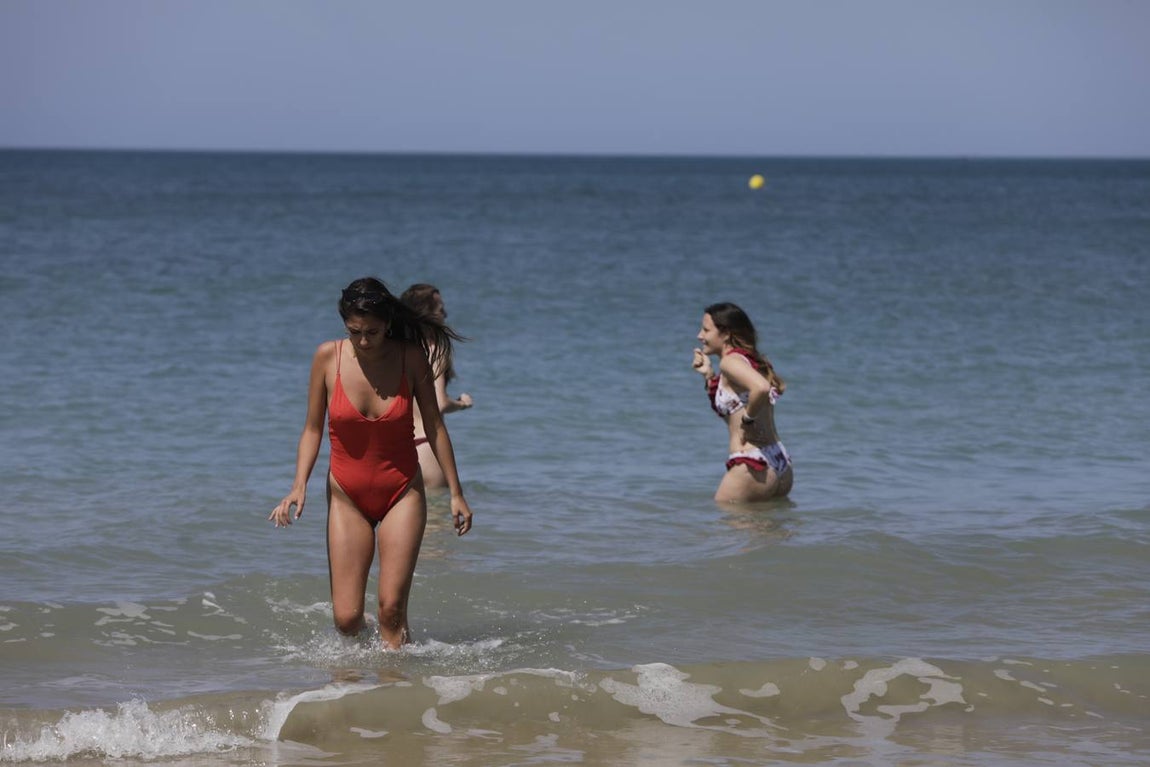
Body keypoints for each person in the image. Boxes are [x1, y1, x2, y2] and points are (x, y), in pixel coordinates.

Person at [269, 277, 473, 649]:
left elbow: (435, 425)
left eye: (373, 332)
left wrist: (457, 493)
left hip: (402, 492)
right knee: (346, 621)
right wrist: (298, 485)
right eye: (356, 332)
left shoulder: (411, 358)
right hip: (348, 495)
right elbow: (313, 429)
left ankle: (399, 691)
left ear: (388, 325)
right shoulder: (327, 358)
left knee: (391, 610)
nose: (364, 341)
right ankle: (363, 682)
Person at [692, 302, 794, 503]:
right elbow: (733, 412)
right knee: (766, 533)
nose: (699, 336)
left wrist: (747, 420)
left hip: (751, 466)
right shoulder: (751, 361)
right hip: (780, 464)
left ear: (726, 333)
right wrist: (709, 377)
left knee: (725, 529)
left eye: (706, 330)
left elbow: (761, 389)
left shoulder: (730, 362)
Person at [400, 284, 473, 489]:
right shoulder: (435, 349)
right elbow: (439, 403)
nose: (445, 314)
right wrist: (462, 404)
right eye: (440, 310)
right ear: (426, 314)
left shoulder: (396, 351)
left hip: (399, 451)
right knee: (436, 520)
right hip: (427, 447)